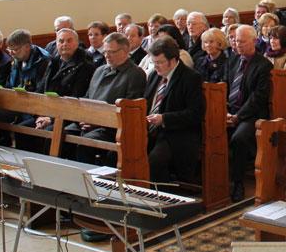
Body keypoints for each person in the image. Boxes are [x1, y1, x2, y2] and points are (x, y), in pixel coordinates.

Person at [65, 32, 147, 166]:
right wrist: (82, 118)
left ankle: (87, 177)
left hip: (111, 127)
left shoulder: (135, 74)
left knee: (85, 143)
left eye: (111, 52)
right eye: (105, 51)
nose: (107, 55)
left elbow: (129, 110)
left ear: (125, 51)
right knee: (60, 134)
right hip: (89, 121)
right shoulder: (99, 70)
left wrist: (97, 122)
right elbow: (87, 98)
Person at [145, 37, 205, 184]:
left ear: (172, 61)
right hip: (151, 130)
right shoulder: (154, 75)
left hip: (177, 133)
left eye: (159, 62)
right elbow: (146, 102)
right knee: (126, 153)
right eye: (154, 62)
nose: (156, 66)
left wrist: (164, 119)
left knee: (155, 161)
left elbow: (195, 113)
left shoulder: (190, 78)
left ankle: (163, 196)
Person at [224, 25, 273, 201]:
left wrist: (238, 116)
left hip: (252, 114)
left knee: (239, 138)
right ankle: (217, 182)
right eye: (236, 41)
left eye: (242, 42)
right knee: (210, 132)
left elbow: (258, 97)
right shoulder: (232, 61)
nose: (238, 45)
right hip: (230, 111)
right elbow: (224, 87)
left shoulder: (263, 65)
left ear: (254, 41)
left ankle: (238, 183)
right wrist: (224, 111)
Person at [266, 25, 286, 106]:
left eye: (276, 38)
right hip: (267, 94)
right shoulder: (267, 55)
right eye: (271, 38)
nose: (272, 41)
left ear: (284, 40)